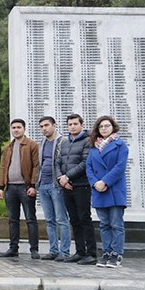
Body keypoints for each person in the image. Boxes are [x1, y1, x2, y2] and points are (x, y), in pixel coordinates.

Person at [87, 115, 129, 268]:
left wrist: (105, 181)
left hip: (114, 189)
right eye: (101, 126)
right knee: (104, 224)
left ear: (113, 127)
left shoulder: (120, 145)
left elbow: (120, 167)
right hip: (99, 190)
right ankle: (106, 252)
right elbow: (89, 167)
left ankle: (117, 254)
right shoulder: (94, 147)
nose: (104, 129)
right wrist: (95, 183)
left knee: (116, 224)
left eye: (107, 126)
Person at [54, 113, 96, 265]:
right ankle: (80, 252)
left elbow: (85, 162)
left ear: (82, 125)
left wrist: (68, 177)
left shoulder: (88, 141)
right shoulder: (65, 142)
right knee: (74, 220)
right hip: (67, 186)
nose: (72, 127)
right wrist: (61, 178)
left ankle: (91, 254)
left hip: (81, 185)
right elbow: (58, 162)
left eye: (75, 124)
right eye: (70, 124)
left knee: (84, 219)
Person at [0, 118, 40, 259]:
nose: (16, 130)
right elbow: (4, 167)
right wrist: (1, 187)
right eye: (14, 127)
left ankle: (34, 249)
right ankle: (13, 248)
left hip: (25, 187)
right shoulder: (8, 148)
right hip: (10, 188)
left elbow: (36, 166)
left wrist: (33, 185)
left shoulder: (32, 145)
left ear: (24, 129)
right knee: (12, 219)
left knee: (30, 219)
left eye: (18, 127)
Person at [37, 116, 71, 261]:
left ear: (54, 125)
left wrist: (63, 179)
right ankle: (53, 250)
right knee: (49, 220)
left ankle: (65, 252)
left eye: (46, 125)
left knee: (61, 219)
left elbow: (66, 162)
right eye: (41, 126)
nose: (44, 129)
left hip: (56, 185)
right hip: (42, 185)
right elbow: (40, 163)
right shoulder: (42, 143)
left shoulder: (63, 141)